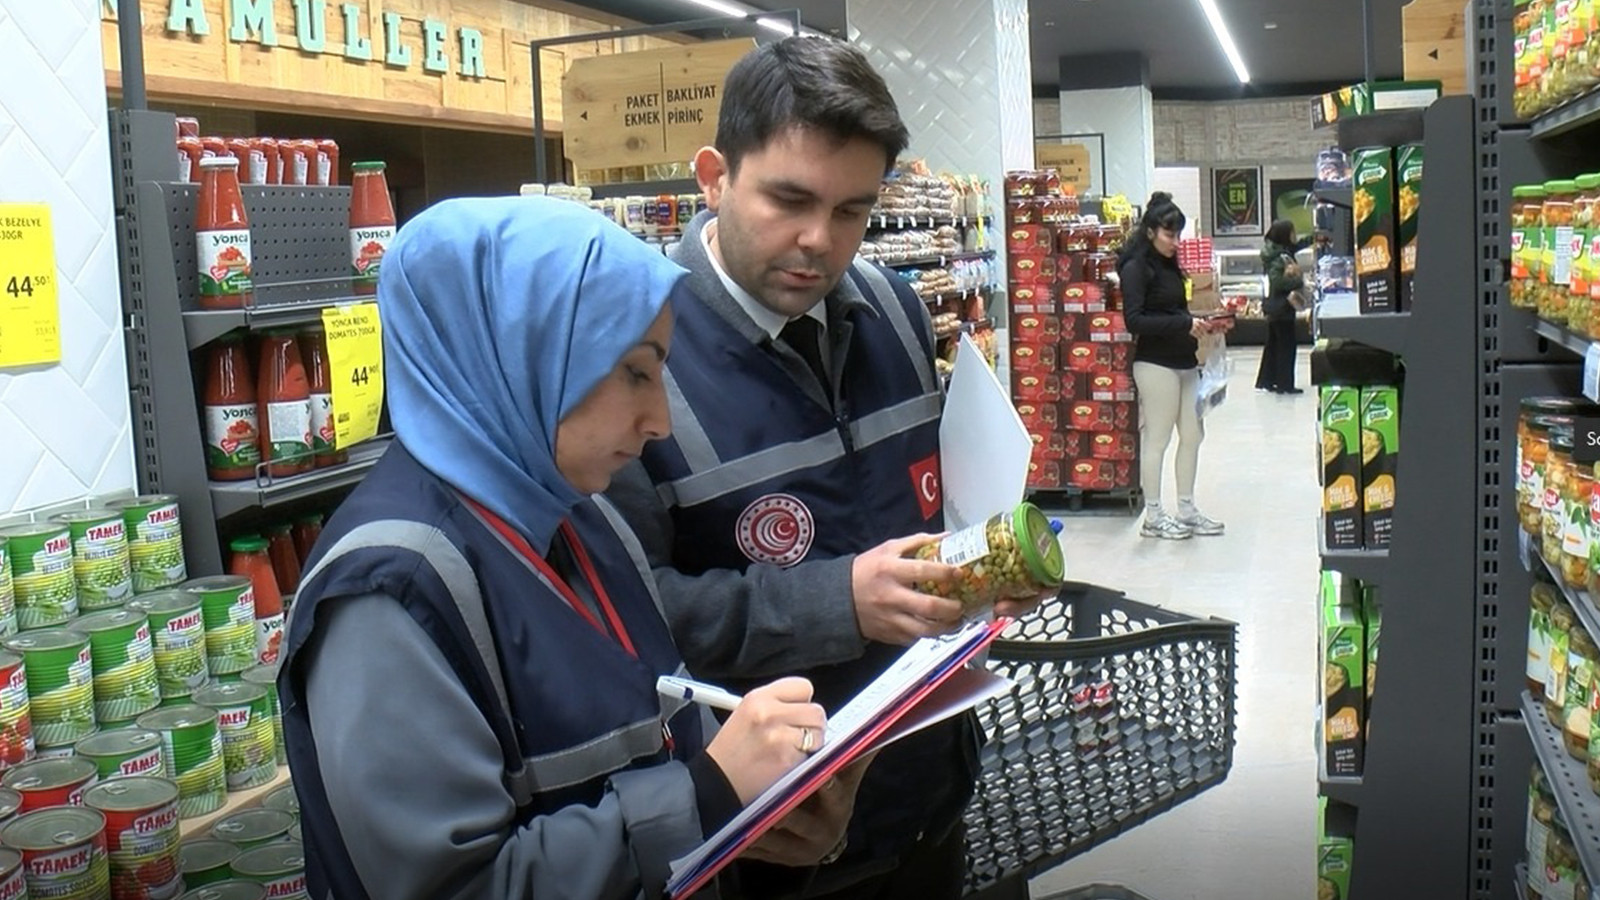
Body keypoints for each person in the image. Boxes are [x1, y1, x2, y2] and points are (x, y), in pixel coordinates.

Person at [278, 196, 872, 900]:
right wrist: (708, 794)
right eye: (635, 372)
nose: (659, 421)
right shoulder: (388, 592)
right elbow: (454, 886)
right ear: (514, 352)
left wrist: (765, 814)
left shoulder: (580, 517)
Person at [606, 36, 1041, 900]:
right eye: (790, 200)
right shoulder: (634, 357)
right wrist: (839, 601)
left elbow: (929, 509)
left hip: (931, 794)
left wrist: (980, 569)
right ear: (714, 177)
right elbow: (630, 617)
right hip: (773, 842)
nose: (819, 241)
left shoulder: (896, 310)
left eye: (852, 211)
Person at [1118, 192, 1230, 540]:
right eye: (1169, 234)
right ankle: (1153, 516)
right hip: (1155, 365)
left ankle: (1187, 508)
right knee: (1158, 438)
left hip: (1185, 362)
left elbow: (1175, 312)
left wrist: (1205, 323)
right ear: (1151, 231)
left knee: (1193, 435)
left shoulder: (1170, 266)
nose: (1175, 241)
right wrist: (1183, 324)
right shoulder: (1136, 268)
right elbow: (1135, 321)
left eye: (1178, 234)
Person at [1256, 219, 1314, 394]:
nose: (1294, 235)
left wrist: (1316, 237)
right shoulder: (1278, 258)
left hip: (1274, 307)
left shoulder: (1279, 250)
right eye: (1292, 232)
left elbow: (1297, 245)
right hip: (1282, 308)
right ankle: (1285, 384)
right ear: (1284, 235)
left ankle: (1267, 381)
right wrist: (1298, 281)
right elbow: (1278, 282)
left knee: (1273, 345)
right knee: (1287, 347)